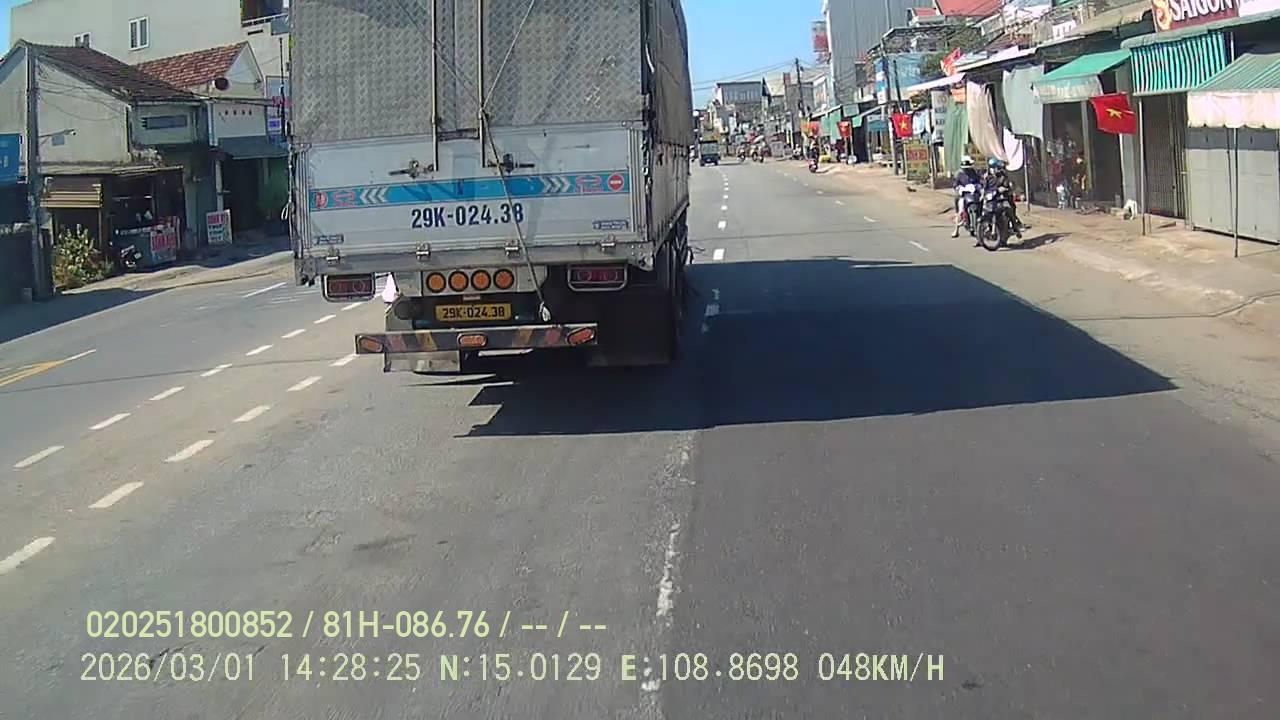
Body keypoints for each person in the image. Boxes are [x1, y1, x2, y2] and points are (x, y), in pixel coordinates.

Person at [982, 158, 1024, 238]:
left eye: (995, 168)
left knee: (1009, 209)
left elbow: (1007, 186)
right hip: (991, 199)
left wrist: (1004, 189)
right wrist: (982, 194)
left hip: (1002, 199)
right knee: (983, 210)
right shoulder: (987, 177)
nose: (993, 170)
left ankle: (1015, 227)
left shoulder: (1003, 177)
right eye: (991, 168)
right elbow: (984, 188)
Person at [950, 156, 983, 238]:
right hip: (963, 195)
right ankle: (956, 230)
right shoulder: (959, 174)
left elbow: (980, 181)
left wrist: (978, 186)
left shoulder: (974, 172)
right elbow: (955, 185)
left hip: (974, 194)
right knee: (960, 210)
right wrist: (960, 188)